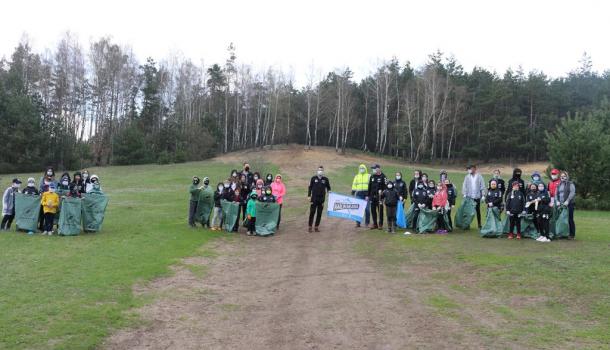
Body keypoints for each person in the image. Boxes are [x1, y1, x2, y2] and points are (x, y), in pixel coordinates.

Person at [307, 166, 331, 232]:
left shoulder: (325, 179)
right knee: (312, 212)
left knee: (319, 213)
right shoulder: (313, 178)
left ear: (323, 171)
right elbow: (310, 187)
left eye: (321, 170)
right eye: (319, 170)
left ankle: (316, 227)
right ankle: (310, 226)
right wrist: (309, 195)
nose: (320, 171)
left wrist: (329, 191)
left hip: (321, 199)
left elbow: (328, 187)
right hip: (314, 199)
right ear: (317, 171)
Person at [461, 165, 486, 229]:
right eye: (468, 169)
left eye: (470, 169)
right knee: (468, 212)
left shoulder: (479, 176)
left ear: (474, 169)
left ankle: (479, 224)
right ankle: (467, 224)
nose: (469, 170)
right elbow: (464, 185)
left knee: (478, 211)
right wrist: (464, 194)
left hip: (477, 197)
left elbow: (482, 186)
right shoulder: (467, 177)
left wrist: (483, 195)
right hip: (469, 197)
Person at [554, 171, 576, 239]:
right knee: (561, 219)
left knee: (569, 219)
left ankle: (571, 234)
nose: (562, 177)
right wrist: (557, 201)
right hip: (560, 204)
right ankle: (562, 233)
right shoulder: (559, 185)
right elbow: (556, 194)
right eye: (561, 176)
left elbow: (572, 193)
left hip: (569, 204)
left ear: (567, 176)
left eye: (564, 176)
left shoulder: (570, 184)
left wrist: (567, 201)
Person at [368, 164, 387, 230]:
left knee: (380, 211)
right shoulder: (372, 176)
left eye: (374, 168)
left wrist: (382, 193)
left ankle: (380, 224)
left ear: (378, 169)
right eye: (372, 168)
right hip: (372, 197)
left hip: (380, 197)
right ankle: (375, 223)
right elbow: (369, 187)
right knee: (373, 210)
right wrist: (368, 196)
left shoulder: (383, 176)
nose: (373, 170)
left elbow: (386, 187)